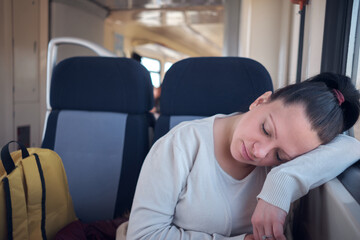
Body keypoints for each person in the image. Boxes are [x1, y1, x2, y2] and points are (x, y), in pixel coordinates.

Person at [118, 72, 360, 240]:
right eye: (266, 129)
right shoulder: (181, 145)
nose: (260, 152)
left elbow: (351, 147)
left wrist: (282, 181)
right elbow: (143, 235)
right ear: (261, 101)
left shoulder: (283, 166)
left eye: (279, 156)